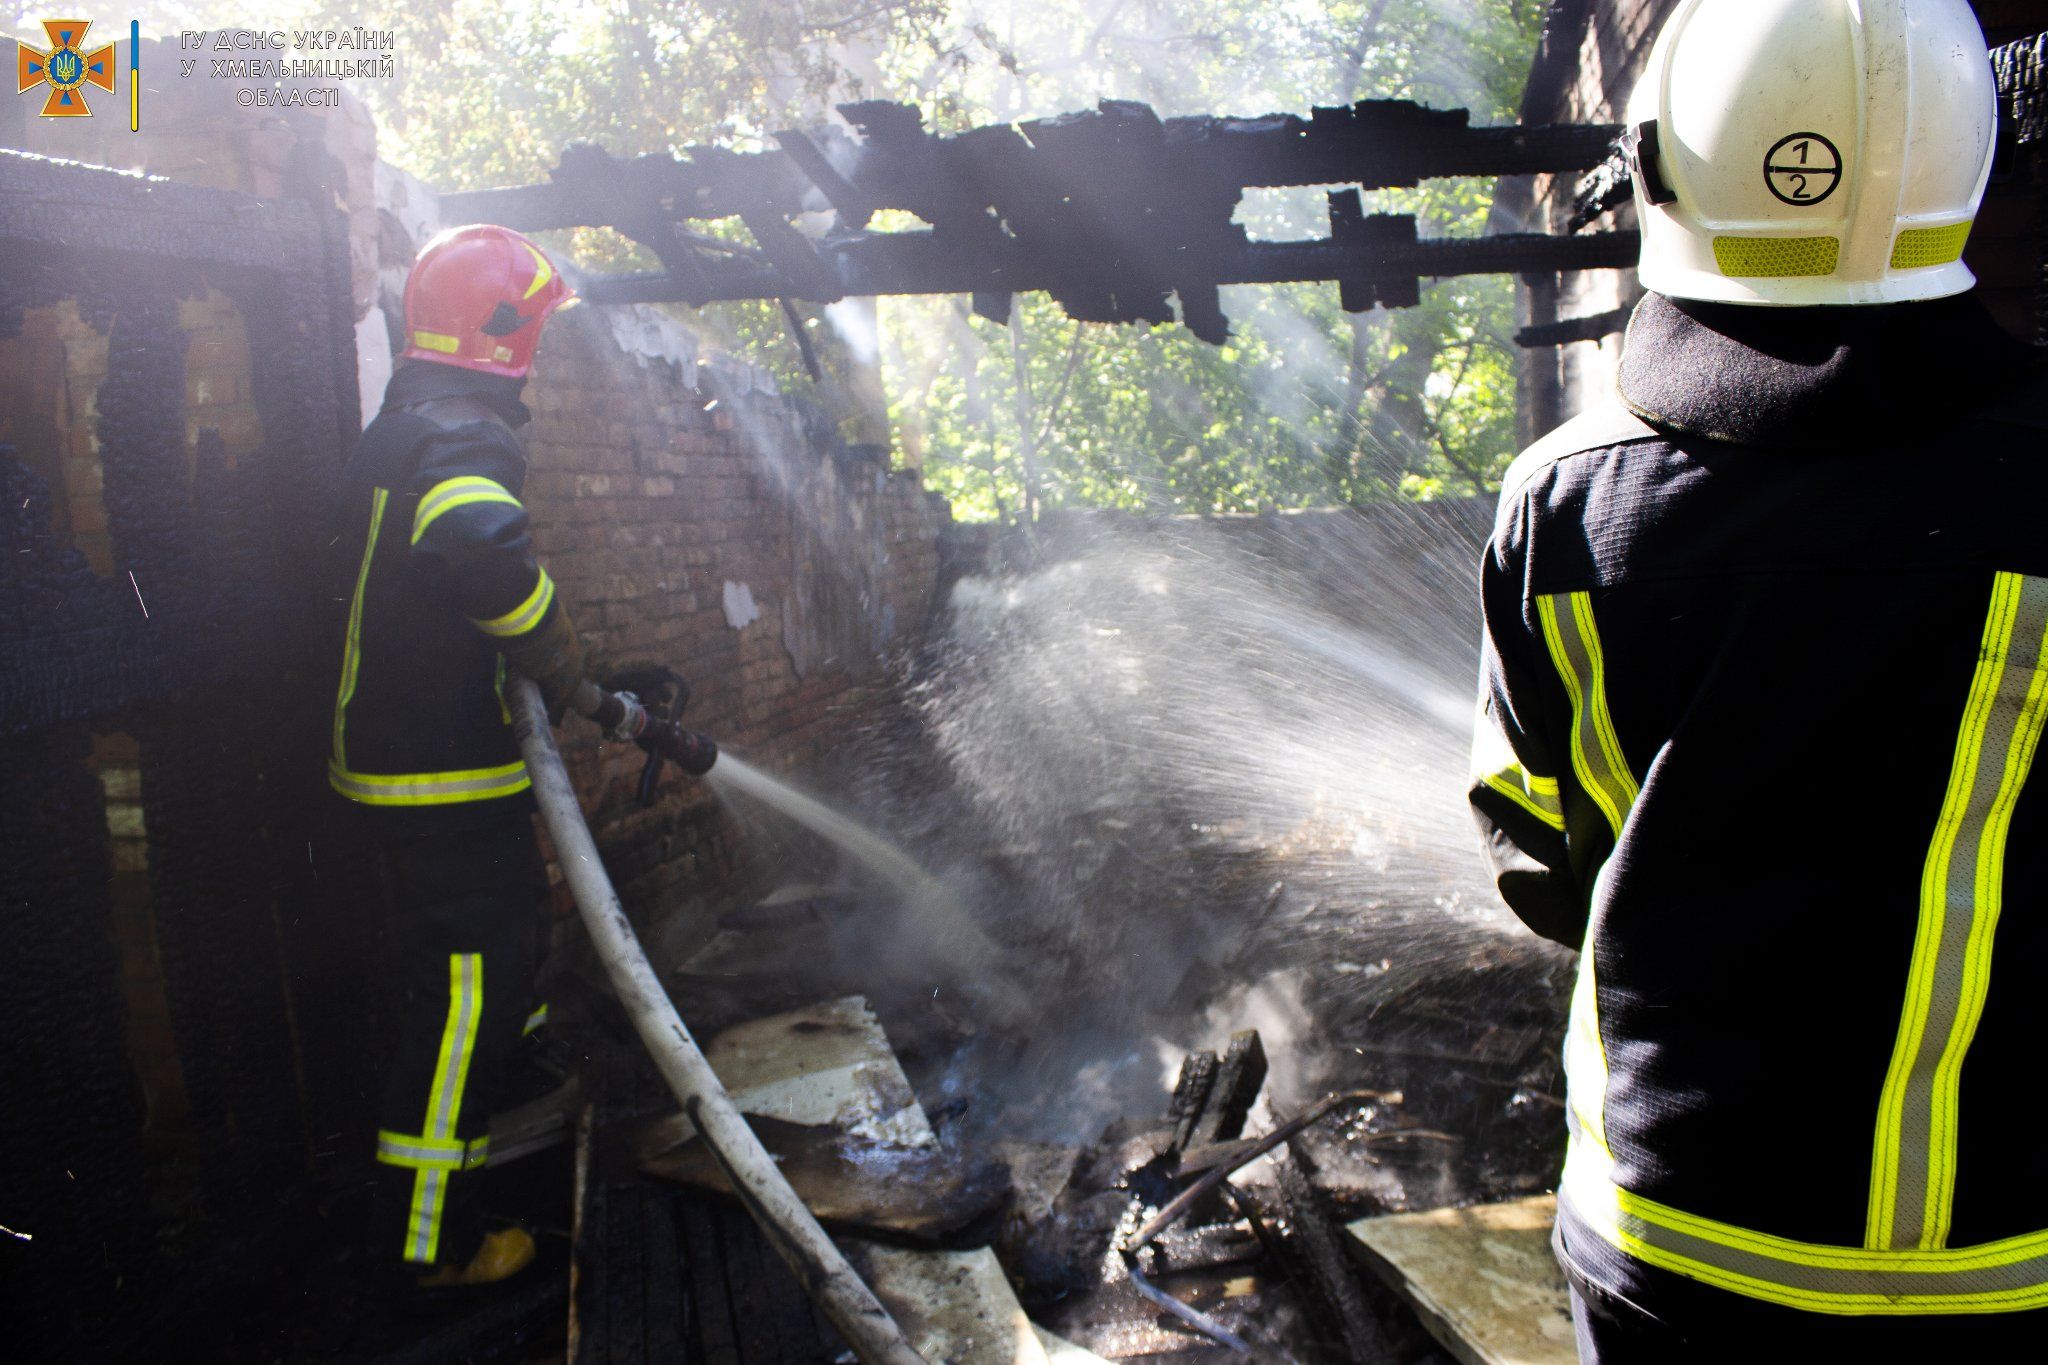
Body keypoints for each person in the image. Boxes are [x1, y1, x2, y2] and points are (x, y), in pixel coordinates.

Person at [1468, 0, 2048, 1358]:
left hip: (1668, 1245)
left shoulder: (1562, 505)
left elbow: (1537, 854)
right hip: (2008, 1261)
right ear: (1966, 165)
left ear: (1667, 168)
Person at [328, 223, 596, 1287]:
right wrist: (550, 639)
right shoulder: (467, 436)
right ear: (504, 334)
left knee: (493, 955)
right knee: (466, 1004)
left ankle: (509, 1089)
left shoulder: (394, 431)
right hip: (441, 774)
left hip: (395, 769)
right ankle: (429, 1245)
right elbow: (482, 546)